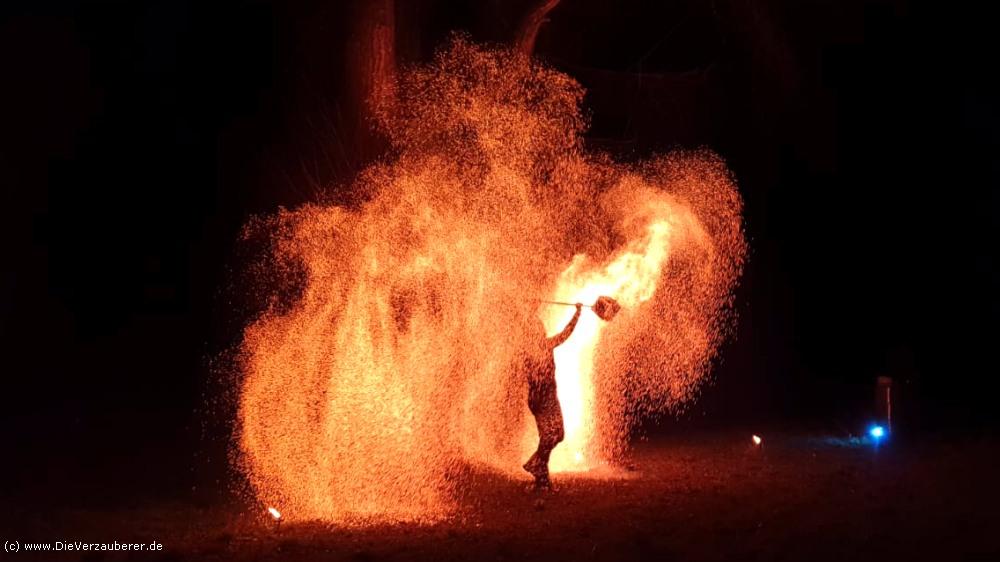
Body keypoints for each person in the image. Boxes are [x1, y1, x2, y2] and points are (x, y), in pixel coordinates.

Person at [522, 303, 582, 489]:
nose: (542, 330)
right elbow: (564, 334)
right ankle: (541, 476)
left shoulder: (546, 345)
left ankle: (538, 468)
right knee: (549, 436)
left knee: (558, 434)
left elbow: (565, 334)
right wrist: (529, 311)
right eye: (539, 329)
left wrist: (577, 314)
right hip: (540, 399)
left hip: (548, 397)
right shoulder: (529, 351)